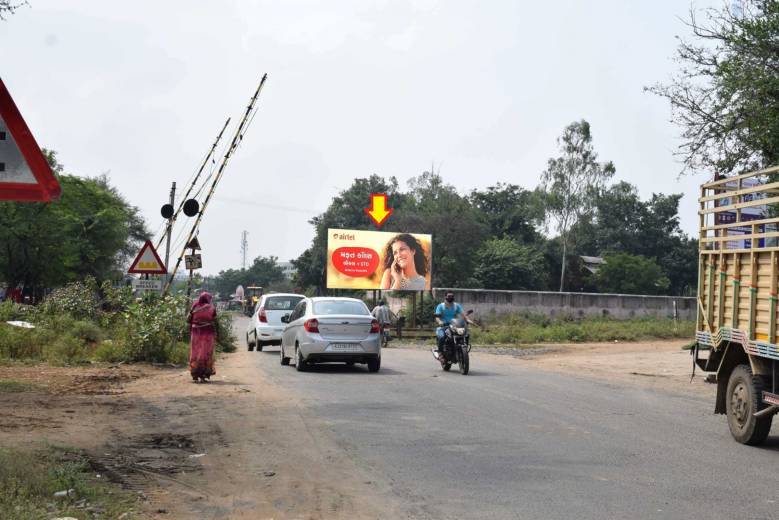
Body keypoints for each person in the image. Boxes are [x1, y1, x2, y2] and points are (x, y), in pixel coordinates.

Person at [188, 291, 218, 383]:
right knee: (205, 353)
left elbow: (189, 319)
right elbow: (215, 321)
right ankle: (203, 375)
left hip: (195, 332)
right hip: (208, 333)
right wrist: (217, 333)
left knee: (195, 352)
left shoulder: (194, 306)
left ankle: (195, 374)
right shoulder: (211, 308)